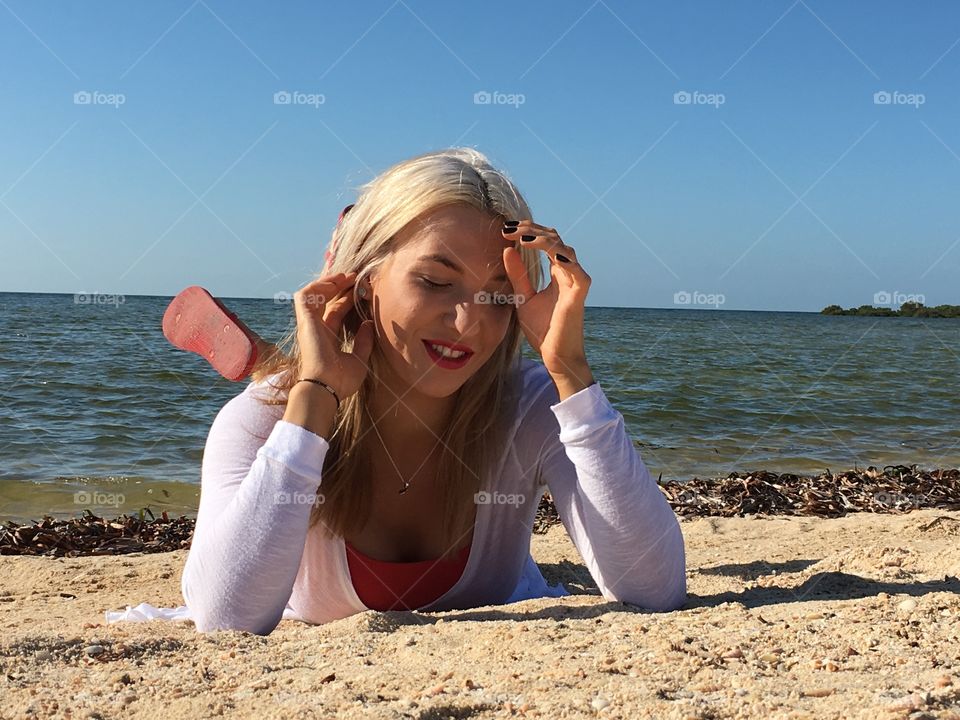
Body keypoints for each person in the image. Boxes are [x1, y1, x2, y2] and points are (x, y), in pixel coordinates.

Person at [178, 147, 687, 634]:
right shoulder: (266, 418)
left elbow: (655, 589)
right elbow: (227, 618)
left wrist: (571, 374)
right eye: (435, 281)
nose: (469, 324)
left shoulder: (531, 407)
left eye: (495, 293)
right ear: (364, 281)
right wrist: (312, 401)